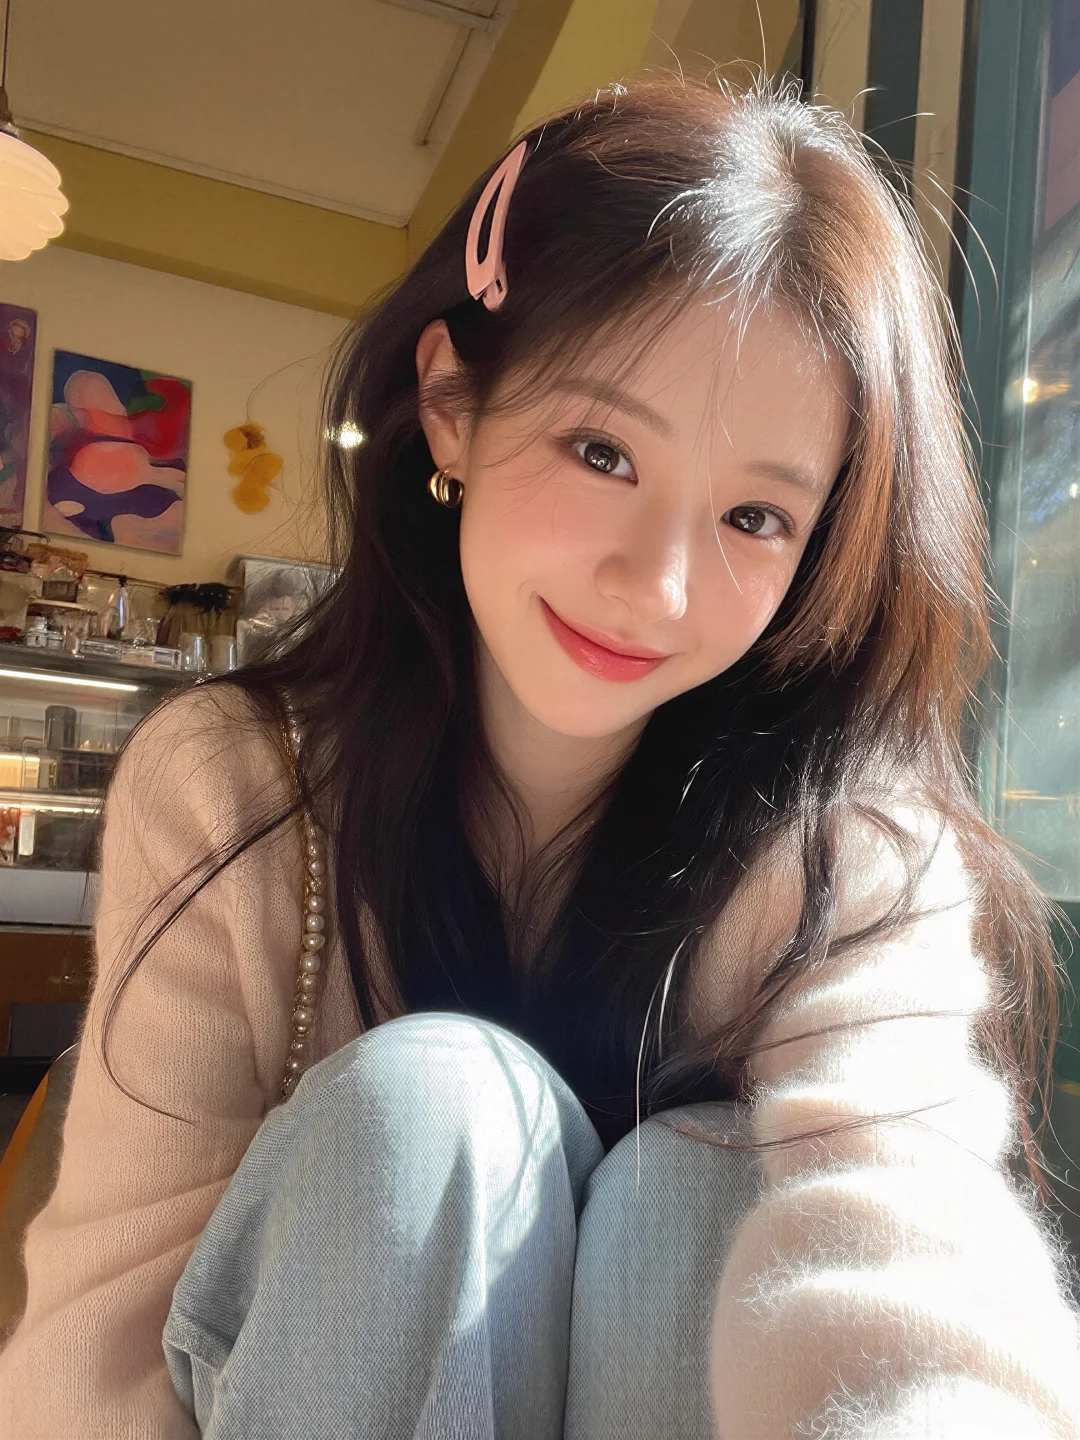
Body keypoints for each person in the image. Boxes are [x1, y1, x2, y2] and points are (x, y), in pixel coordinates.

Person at [2, 76, 1079, 1439]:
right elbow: (101, 1342)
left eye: (756, 516)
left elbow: (909, 1242)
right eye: (601, 450)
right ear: (452, 404)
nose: (658, 587)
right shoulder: (235, 789)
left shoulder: (848, 862)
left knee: (692, 1194)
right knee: (433, 1114)